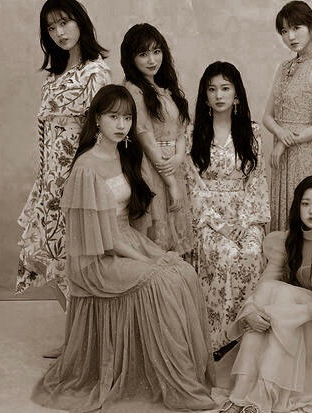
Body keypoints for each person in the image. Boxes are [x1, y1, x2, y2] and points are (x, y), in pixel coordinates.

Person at [32, 85, 216, 412]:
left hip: (124, 239)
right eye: (113, 117)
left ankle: (182, 373)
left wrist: (151, 252)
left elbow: (127, 222)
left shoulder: (123, 153)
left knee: (183, 272)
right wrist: (147, 259)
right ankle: (174, 382)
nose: (121, 125)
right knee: (159, 280)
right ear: (97, 119)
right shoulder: (86, 167)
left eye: (127, 118)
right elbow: (104, 241)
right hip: (98, 256)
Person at [219, 176, 312, 413]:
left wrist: (280, 316)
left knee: (281, 294)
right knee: (269, 290)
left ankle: (261, 397)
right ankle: (241, 393)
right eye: (306, 204)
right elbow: (265, 284)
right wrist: (251, 311)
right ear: (297, 207)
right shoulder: (285, 241)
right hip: (292, 322)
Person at [16, 0, 111, 338]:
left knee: (77, 261)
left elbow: (101, 132)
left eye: (65, 22)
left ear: (80, 22)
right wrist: (45, 182)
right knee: (44, 256)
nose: (59, 32)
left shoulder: (95, 73)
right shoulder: (55, 76)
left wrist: (85, 179)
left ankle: (88, 340)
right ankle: (78, 337)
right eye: (51, 27)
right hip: (49, 181)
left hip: (77, 179)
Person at [188, 61, 270, 357]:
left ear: (236, 95)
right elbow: (191, 184)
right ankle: (219, 338)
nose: (219, 95)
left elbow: (257, 180)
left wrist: (244, 223)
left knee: (251, 253)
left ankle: (248, 333)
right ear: (205, 96)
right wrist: (219, 224)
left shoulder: (252, 132)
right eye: (212, 89)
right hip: (208, 218)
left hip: (245, 215)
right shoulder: (193, 133)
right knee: (224, 254)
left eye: (225, 88)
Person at [121, 23, 194, 254]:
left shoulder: (165, 88)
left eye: (156, 51)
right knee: (158, 236)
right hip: (153, 169)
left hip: (174, 166)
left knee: (177, 229)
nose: (152, 60)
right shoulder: (134, 90)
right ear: (131, 58)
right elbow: (145, 138)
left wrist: (179, 156)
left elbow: (181, 128)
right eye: (143, 54)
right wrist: (170, 182)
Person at [266, 0, 312, 231]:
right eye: (284, 31)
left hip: (305, 156)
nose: (290, 36)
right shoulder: (283, 67)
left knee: (303, 220)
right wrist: (280, 134)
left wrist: (286, 141)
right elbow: (267, 117)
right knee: (282, 221)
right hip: (281, 156)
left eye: (296, 28)